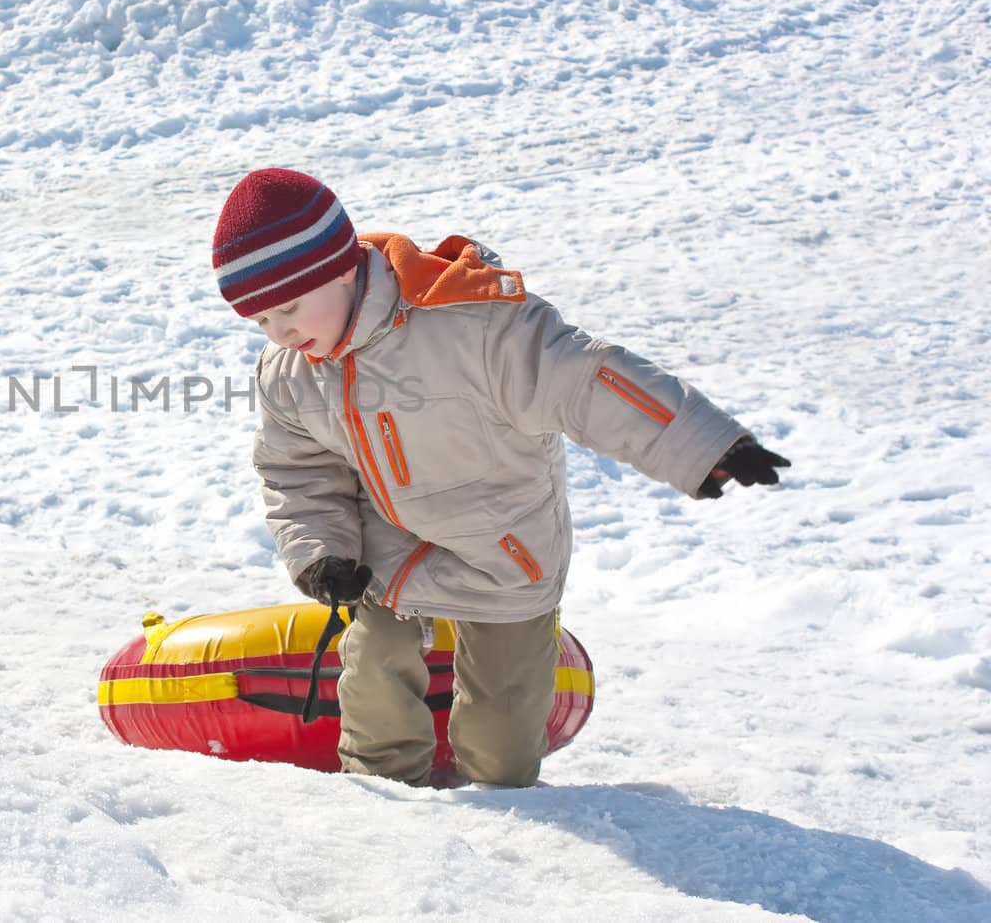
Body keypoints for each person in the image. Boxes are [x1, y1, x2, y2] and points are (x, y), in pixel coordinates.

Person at [212, 167, 790, 788]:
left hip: (506, 549)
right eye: (261, 322)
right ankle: (380, 800)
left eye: (290, 309)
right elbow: (296, 473)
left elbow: (587, 380)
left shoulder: (475, 326)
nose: (281, 334)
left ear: (341, 268)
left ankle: (508, 814)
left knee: (502, 738)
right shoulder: (291, 372)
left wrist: (704, 445)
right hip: (391, 555)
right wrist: (323, 553)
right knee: (374, 677)